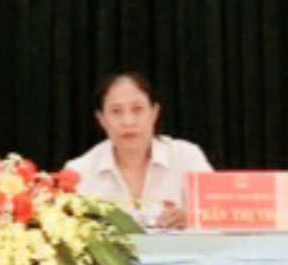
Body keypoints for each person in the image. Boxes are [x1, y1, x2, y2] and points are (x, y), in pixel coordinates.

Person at [62, 71, 213, 231]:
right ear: (101, 119)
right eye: (116, 111)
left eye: (137, 109)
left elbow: (221, 217)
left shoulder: (187, 157)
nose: (128, 121)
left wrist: (193, 218)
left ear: (154, 113)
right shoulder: (78, 173)